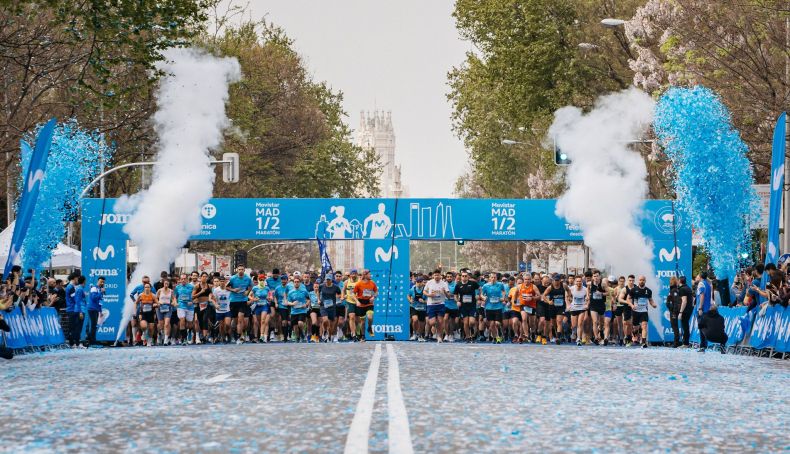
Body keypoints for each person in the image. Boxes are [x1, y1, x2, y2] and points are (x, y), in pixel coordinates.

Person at [627, 275, 657, 348]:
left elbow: (650, 300)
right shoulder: (633, 290)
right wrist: (631, 305)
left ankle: (643, 342)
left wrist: (653, 304)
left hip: (644, 311)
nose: (641, 281)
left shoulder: (648, 291)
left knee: (644, 326)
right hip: (636, 311)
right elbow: (628, 299)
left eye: (643, 280)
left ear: (645, 281)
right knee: (635, 328)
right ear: (638, 281)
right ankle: (634, 335)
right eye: (640, 280)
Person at [227, 265, 252, 344]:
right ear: (237, 270)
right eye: (239, 269)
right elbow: (226, 287)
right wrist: (233, 290)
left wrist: (247, 292)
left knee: (240, 319)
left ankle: (239, 337)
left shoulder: (248, 278)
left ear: (244, 270)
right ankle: (234, 334)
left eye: (242, 269)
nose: (240, 271)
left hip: (243, 301)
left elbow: (250, 286)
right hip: (234, 301)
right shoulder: (233, 278)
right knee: (235, 320)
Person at [352, 270, 378, 342]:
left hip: (369, 303)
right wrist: (357, 301)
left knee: (370, 317)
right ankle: (363, 336)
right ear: (365, 275)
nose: (370, 275)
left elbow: (376, 292)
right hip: (361, 303)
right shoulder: (358, 284)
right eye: (369, 274)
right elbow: (353, 294)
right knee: (363, 322)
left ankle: (369, 328)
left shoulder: (372, 283)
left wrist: (373, 297)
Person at [454, 271, 479, 343]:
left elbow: (480, 289)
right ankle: (468, 337)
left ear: (468, 277)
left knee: (472, 322)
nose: (464, 277)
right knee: (465, 322)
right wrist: (457, 301)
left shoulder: (473, 283)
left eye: (466, 276)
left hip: (472, 306)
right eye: (463, 276)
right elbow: (455, 295)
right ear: (461, 277)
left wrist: (478, 295)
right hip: (463, 306)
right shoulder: (458, 285)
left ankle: (473, 332)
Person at [481, 273, 506, 343]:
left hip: (498, 307)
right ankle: (496, 338)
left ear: (496, 278)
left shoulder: (500, 284)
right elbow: (481, 294)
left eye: (494, 277)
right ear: (489, 278)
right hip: (489, 307)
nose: (493, 279)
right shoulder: (486, 286)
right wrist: (483, 297)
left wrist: (503, 297)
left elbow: (503, 291)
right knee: (491, 324)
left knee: (497, 323)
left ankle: (500, 334)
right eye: (492, 277)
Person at [318, 274, 342, 342]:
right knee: (325, 320)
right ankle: (325, 331)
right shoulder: (321, 286)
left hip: (332, 307)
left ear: (331, 280)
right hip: (323, 305)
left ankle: (328, 336)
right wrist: (318, 299)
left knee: (331, 325)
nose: (327, 281)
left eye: (329, 280)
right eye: (327, 279)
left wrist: (338, 299)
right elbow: (318, 292)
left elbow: (339, 294)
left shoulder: (335, 287)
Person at [287, 276, 310, 342]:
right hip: (294, 311)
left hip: (302, 310)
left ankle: (302, 333)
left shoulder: (304, 291)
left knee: (300, 323)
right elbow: (288, 302)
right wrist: (292, 304)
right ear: (293, 283)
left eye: (297, 282)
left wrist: (306, 304)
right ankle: (298, 337)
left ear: (300, 283)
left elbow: (308, 299)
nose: (296, 283)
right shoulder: (290, 292)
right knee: (295, 326)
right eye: (295, 282)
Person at [695, 271, 714, 352]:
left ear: (700, 276)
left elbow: (702, 296)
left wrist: (700, 308)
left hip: (703, 309)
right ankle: (704, 345)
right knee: (705, 327)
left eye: (697, 275)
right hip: (707, 308)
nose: (696, 277)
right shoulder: (708, 284)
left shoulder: (701, 284)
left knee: (701, 327)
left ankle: (703, 345)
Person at [249, 274, 271, 343]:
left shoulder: (267, 288)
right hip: (257, 306)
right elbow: (249, 296)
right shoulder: (255, 288)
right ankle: (260, 335)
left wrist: (269, 298)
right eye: (260, 280)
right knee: (258, 322)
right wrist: (253, 299)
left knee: (263, 321)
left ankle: (262, 336)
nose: (262, 281)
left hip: (264, 305)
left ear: (264, 280)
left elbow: (270, 296)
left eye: (263, 280)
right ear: (258, 280)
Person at [174, 274, 195, 345]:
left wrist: (192, 301)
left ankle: (190, 332)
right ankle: (184, 338)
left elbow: (195, 296)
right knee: (182, 320)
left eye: (184, 279)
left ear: (187, 279)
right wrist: (175, 302)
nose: (183, 280)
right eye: (182, 279)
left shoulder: (192, 287)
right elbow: (174, 297)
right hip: (181, 306)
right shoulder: (177, 287)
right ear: (180, 280)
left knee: (190, 324)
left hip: (190, 307)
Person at [193, 272, 213, 344]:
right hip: (198, 305)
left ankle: (204, 337)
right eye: (203, 276)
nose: (204, 278)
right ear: (200, 277)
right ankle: (198, 336)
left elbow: (211, 294)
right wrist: (201, 292)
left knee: (205, 320)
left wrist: (211, 298)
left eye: (206, 277)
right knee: (198, 321)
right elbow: (192, 296)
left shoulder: (209, 286)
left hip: (206, 305)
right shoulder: (197, 286)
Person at [135, 282, 158, 347]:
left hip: (151, 314)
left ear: (150, 288)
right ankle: (144, 333)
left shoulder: (153, 295)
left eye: (148, 287)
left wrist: (155, 304)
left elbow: (158, 303)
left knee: (151, 328)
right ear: (144, 288)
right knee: (144, 326)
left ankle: (149, 341)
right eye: (145, 287)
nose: (147, 288)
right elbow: (136, 303)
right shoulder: (141, 295)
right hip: (143, 313)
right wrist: (136, 311)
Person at [211, 276, 232, 343]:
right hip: (219, 311)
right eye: (221, 281)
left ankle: (227, 334)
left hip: (227, 310)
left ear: (225, 282)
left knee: (227, 324)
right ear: (219, 282)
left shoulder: (228, 289)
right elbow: (212, 299)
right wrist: (216, 305)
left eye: (223, 281)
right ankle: (223, 337)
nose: (222, 282)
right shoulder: (216, 290)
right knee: (221, 326)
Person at [156, 277, 175, 345]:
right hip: (160, 308)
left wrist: (173, 302)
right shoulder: (159, 290)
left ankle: (166, 340)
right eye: (165, 283)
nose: (166, 284)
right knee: (161, 324)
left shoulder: (171, 291)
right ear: (163, 284)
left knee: (167, 324)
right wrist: (158, 303)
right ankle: (159, 334)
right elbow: (155, 298)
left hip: (168, 308)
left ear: (169, 284)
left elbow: (173, 299)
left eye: (167, 283)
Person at [342, 270, 360, 340]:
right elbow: (343, 290)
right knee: (351, 317)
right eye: (352, 274)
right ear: (350, 275)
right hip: (349, 301)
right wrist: (343, 296)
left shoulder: (359, 281)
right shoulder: (347, 282)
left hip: (358, 301)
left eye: (355, 274)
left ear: (357, 274)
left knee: (358, 320)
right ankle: (353, 334)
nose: (353, 275)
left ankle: (358, 333)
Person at [86, 277, 104, 347]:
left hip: (96, 309)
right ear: (98, 281)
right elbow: (94, 298)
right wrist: (101, 292)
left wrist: (100, 311)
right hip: (92, 308)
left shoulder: (99, 289)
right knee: (93, 325)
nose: (102, 283)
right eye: (101, 281)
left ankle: (93, 339)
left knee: (94, 325)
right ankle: (92, 341)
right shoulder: (94, 288)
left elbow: (100, 301)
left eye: (103, 282)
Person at [677, 276, 694, 347]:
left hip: (685, 310)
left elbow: (684, 301)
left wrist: (681, 312)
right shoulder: (688, 288)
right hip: (689, 309)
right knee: (685, 326)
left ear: (679, 281)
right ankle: (686, 342)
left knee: (685, 326)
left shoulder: (682, 289)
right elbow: (692, 299)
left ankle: (685, 343)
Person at [666, 276, 681, 347]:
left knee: (674, 326)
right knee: (675, 326)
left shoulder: (673, 291)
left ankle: (676, 343)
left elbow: (673, 302)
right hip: (676, 310)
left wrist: (672, 310)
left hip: (674, 311)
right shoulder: (677, 290)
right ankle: (677, 342)